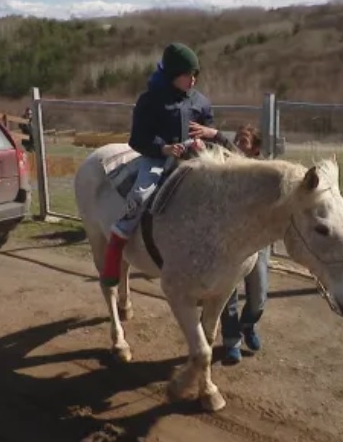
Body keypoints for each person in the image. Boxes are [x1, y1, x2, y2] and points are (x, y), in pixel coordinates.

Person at [100, 42, 231, 287]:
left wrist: (205, 140)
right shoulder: (150, 100)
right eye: (186, 76)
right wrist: (163, 148)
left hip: (196, 158)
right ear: (172, 75)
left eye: (195, 75)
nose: (192, 81)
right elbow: (138, 139)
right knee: (140, 195)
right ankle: (116, 246)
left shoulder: (201, 101)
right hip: (157, 157)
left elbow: (207, 127)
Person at [219, 124, 269, 365]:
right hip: (230, 243)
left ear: (255, 149)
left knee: (259, 296)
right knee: (227, 294)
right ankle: (231, 342)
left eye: (244, 142)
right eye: (236, 140)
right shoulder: (225, 169)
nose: (237, 145)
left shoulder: (262, 172)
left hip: (258, 242)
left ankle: (247, 325)